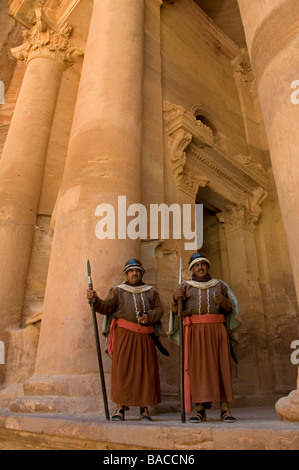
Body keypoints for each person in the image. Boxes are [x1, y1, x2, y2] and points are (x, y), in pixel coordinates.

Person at [87, 258, 164, 422]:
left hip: (145, 336)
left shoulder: (151, 292)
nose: (134, 273)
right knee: (123, 371)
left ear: (141, 273)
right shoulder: (117, 291)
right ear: (126, 274)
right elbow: (106, 307)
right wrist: (95, 300)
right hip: (124, 337)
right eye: (131, 271)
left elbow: (159, 310)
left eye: (137, 270)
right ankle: (120, 408)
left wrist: (149, 316)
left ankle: (144, 409)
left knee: (145, 371)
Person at [171, 252, 241, 423]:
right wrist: (175, 298)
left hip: (217, 330)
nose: (200, 267)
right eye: (197, 265)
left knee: (221, 367)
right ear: (192, 269)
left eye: (203, 264)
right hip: (195, 332)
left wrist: (221, 300)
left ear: (208, 266)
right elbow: (176, 311)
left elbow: (232, 307)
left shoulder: (220, 285)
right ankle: (200, 408)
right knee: (197, 370)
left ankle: (225, 408)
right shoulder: (185, 287)